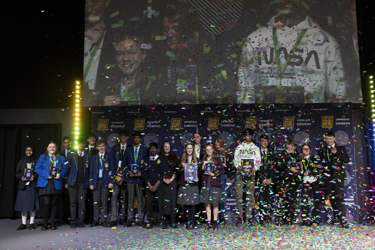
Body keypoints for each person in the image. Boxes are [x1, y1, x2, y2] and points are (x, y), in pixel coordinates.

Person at [237, 0, 346, 103]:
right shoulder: (255, 39)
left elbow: (338, 97)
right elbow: (245, 93)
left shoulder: (326, 42)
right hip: (265, 120)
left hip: (308, 120)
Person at [319, 131, 350, 228]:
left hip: (338, 177)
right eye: (327, 139)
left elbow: (346, 160)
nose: (329, 140)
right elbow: (321, 163)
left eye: (330, 138)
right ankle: (336, 217)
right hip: (327, 177)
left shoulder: (341, 148)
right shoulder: (322, 150)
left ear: (334, 138)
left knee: (339, 197)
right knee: (332, 198)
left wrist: (336, 153)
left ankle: (343, 219)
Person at [36, 141, 66, 231]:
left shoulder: (61, 158)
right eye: (50, 147)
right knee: (46, 203)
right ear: (47, 148)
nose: (52, 149)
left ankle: (52, 223)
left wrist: (60, 175)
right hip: (46, 181)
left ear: (56, 148)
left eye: (53, 147)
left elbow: (64, 169)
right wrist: (46, 175)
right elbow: (37, 168)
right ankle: (45, 223)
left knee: (54, 203)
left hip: (56, 182)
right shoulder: (42, 157)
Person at [233, 128, 261, 226]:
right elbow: (235, 160)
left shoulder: (256, 148)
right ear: (244, 136)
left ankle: (249, 217)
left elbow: (258, 161)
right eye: (246, 135)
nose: (247, 137)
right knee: (239, 196)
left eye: (249, 135)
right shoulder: (239, 147)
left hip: (251, 175)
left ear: (252, 136)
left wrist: (255, 168)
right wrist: (238, 166)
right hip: (240, 174)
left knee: (250, 196)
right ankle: (240, 217)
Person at [122, 131, 148, 227]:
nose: (137, 139)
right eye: (135, 138)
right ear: (133, 139)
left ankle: (141, 219)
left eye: (138, 138)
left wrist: (142, 172)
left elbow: (147, 164)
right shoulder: (128, 150)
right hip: (130, 178)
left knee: (140, 199)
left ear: (140, 139)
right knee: (130, 200)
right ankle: (130, 218)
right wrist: (128, 171)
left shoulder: (144, 150)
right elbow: (123, 164)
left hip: (140, 179)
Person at [64, 137, 91, 228]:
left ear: (85, 145)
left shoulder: (88, 156)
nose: (81, 145)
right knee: (73, 203)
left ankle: (80, 221)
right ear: (77, 144)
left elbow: (90, 170)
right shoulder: (71, 155)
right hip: (72, 183)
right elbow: (66, 169)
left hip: (83, 183)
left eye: (83, 143)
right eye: (80, 143)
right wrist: (66, 181)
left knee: (82, 203)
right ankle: (72, 221)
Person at [274, 140, 301, 225]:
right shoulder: (281, 155)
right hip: (283, 181)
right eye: (291, 146)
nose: (293, 147)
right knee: (282, 200)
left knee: (291, 201)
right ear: (287, 146)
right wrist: (289, 168)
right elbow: (279, 164)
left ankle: (289, 219)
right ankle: (280, 219)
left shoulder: (297, 155)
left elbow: (300, 166)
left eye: (294, 146)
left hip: (293, 181)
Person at [89, 140, 115, 227]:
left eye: (103, 146)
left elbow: (112, 169)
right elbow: (91, 171)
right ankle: (96, 220)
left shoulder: (109, 156)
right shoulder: (94, 157)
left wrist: (111, 181)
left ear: (105, 147)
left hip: (105, 181)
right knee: (96, 202)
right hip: (96, 182)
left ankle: (104, 220)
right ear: (97, 147)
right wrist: (91, 182)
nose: (101, 147)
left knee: (104, 203)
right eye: (99, 146)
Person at [200, 144, 225, 229]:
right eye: (207, 149)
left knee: (215, 202)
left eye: (210, 149)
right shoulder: (203, 159)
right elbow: (199, 173)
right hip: (206, 183)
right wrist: (203, 166)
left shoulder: (217, 159)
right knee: (207, 203)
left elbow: (222, 171)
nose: (209, 151)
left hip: (215, 183)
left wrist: (214, 174)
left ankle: (215, 221)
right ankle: (209, 221)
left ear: (213, 150)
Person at [14, 146, 39, 230]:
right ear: (25, 152)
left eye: (30, 150)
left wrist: (34, 177)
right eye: (27, 150)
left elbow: (39, 173)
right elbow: (17, 173)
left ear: (32, 151)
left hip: (32, 185)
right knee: (23, 205)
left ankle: (31, 223)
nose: (29, 151)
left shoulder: (36, 161)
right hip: (23, 186)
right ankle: (23, 223)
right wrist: (21, 177)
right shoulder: (21, 162)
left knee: (32, 205)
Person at [110, 129, 132, 225]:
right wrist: (112, 176)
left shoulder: (130, 148)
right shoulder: (114, 148)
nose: (123, 137)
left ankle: (123, 217)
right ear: (119, 137)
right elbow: (111, 163)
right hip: (116, 177)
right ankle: (114, 218)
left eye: (125, 135)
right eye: (121, 135)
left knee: (124, 198)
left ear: (127, 137)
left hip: (126, 177)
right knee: (114, 197)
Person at [176, 143, 200, 229]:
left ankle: (193, 222)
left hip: (193, 184)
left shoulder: (197, 159)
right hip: (185, 184)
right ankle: (188, 222)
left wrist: (197, 177)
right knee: (186, 204)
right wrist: (182, 166)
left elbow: (200, 172)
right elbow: (177, 171)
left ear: (193, 149)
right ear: (186, 149)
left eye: (191, 148)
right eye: (188, 148)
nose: (189, 150)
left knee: (193, 204)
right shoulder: (181, 159)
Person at [143, 142, 165, 229]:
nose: (152, 150)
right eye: (151, 148)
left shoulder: (161, 160)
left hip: (158, 186)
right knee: (149, 204)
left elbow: (162, 173)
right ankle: (149, 221)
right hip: (149, 186)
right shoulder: (146, 160)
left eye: (154, 148)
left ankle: (161, 221)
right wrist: (149, 185)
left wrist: (156, 185)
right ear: (149, 150)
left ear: (157, 150)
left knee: (160, 204)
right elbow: (144, 174)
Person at [300, 143, 324, 226]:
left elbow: (319, 168)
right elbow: (298, 169)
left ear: (310, 150)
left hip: (315, 181)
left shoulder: (315, 157)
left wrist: (309, 172)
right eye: (304, 149)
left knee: (317, 200)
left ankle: (315, 219)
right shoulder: (300, 159)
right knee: (305, 201)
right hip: (305, 182)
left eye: (307, 148)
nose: (306, 150)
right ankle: (305, 219)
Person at [214, 138, 235, 224]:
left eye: (219, 144)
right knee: (215, 197)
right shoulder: (213, 154)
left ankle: (222, 216)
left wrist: (225, 165)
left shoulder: (227, 155)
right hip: (215, 177)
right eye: (216, 145)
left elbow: (232, 168)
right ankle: (215, 217)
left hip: (224, 177)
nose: (217, 146)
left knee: (223, 198)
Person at [257, 135, 276, 225]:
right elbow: (256, 167)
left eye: (266, 141)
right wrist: (262, 179)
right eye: (262, 141)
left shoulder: (272, 153)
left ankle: (268, 218)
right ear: (259, 142)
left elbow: (274, 168)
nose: (264, 143)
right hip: (260, 180)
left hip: (270, 180)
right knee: (261, 200)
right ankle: (261, 219)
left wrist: (270, 179)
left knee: (269, 200)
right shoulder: (256, 152)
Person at [159, 141, 179, 228]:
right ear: (163, 148)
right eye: (165, 146)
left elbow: (177, 170)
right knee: (164, 201)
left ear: (170, 148)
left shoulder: (174, 158)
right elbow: (158, 170)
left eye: (168, 146)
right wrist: (163, 179)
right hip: (162, 182)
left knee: (173, 201)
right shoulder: (159, 158)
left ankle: (173, 221)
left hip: (172, 181)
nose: (167, 148)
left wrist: (171, 179)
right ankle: (165, 221)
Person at [59, 135, 72, 226]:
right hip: (61, 180)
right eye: (66, 142)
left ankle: (70, 218)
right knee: (61, 201)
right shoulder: (59, 153)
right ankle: (62, 219)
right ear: (63, 143)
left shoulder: (74, 153)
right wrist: (64, 182)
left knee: (71, 201)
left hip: (71, 180)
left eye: (69, 142)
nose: (67, 144)